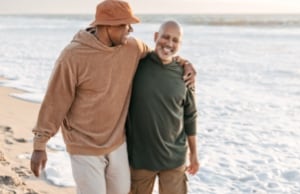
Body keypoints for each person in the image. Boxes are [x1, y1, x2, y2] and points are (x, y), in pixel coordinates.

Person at [30, 1, 196, 194]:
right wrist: (39, 145)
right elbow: (55, 101)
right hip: (83, 144)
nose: (131, 30)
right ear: (109, 26)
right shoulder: (73, 56)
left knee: (123, 190)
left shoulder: (131, 47)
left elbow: (161, 54)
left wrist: (184, 63)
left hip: (117, 141)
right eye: (126, 25)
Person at [126, 20, 199, 194]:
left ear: (180, 45)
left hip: (175, 161)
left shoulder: (185, 75)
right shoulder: (136, 65)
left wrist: (194, 153)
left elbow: (190, 115)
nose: (169, 44)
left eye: (175, 40)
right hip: (140, 160)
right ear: (155, 37)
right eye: (165, 37)